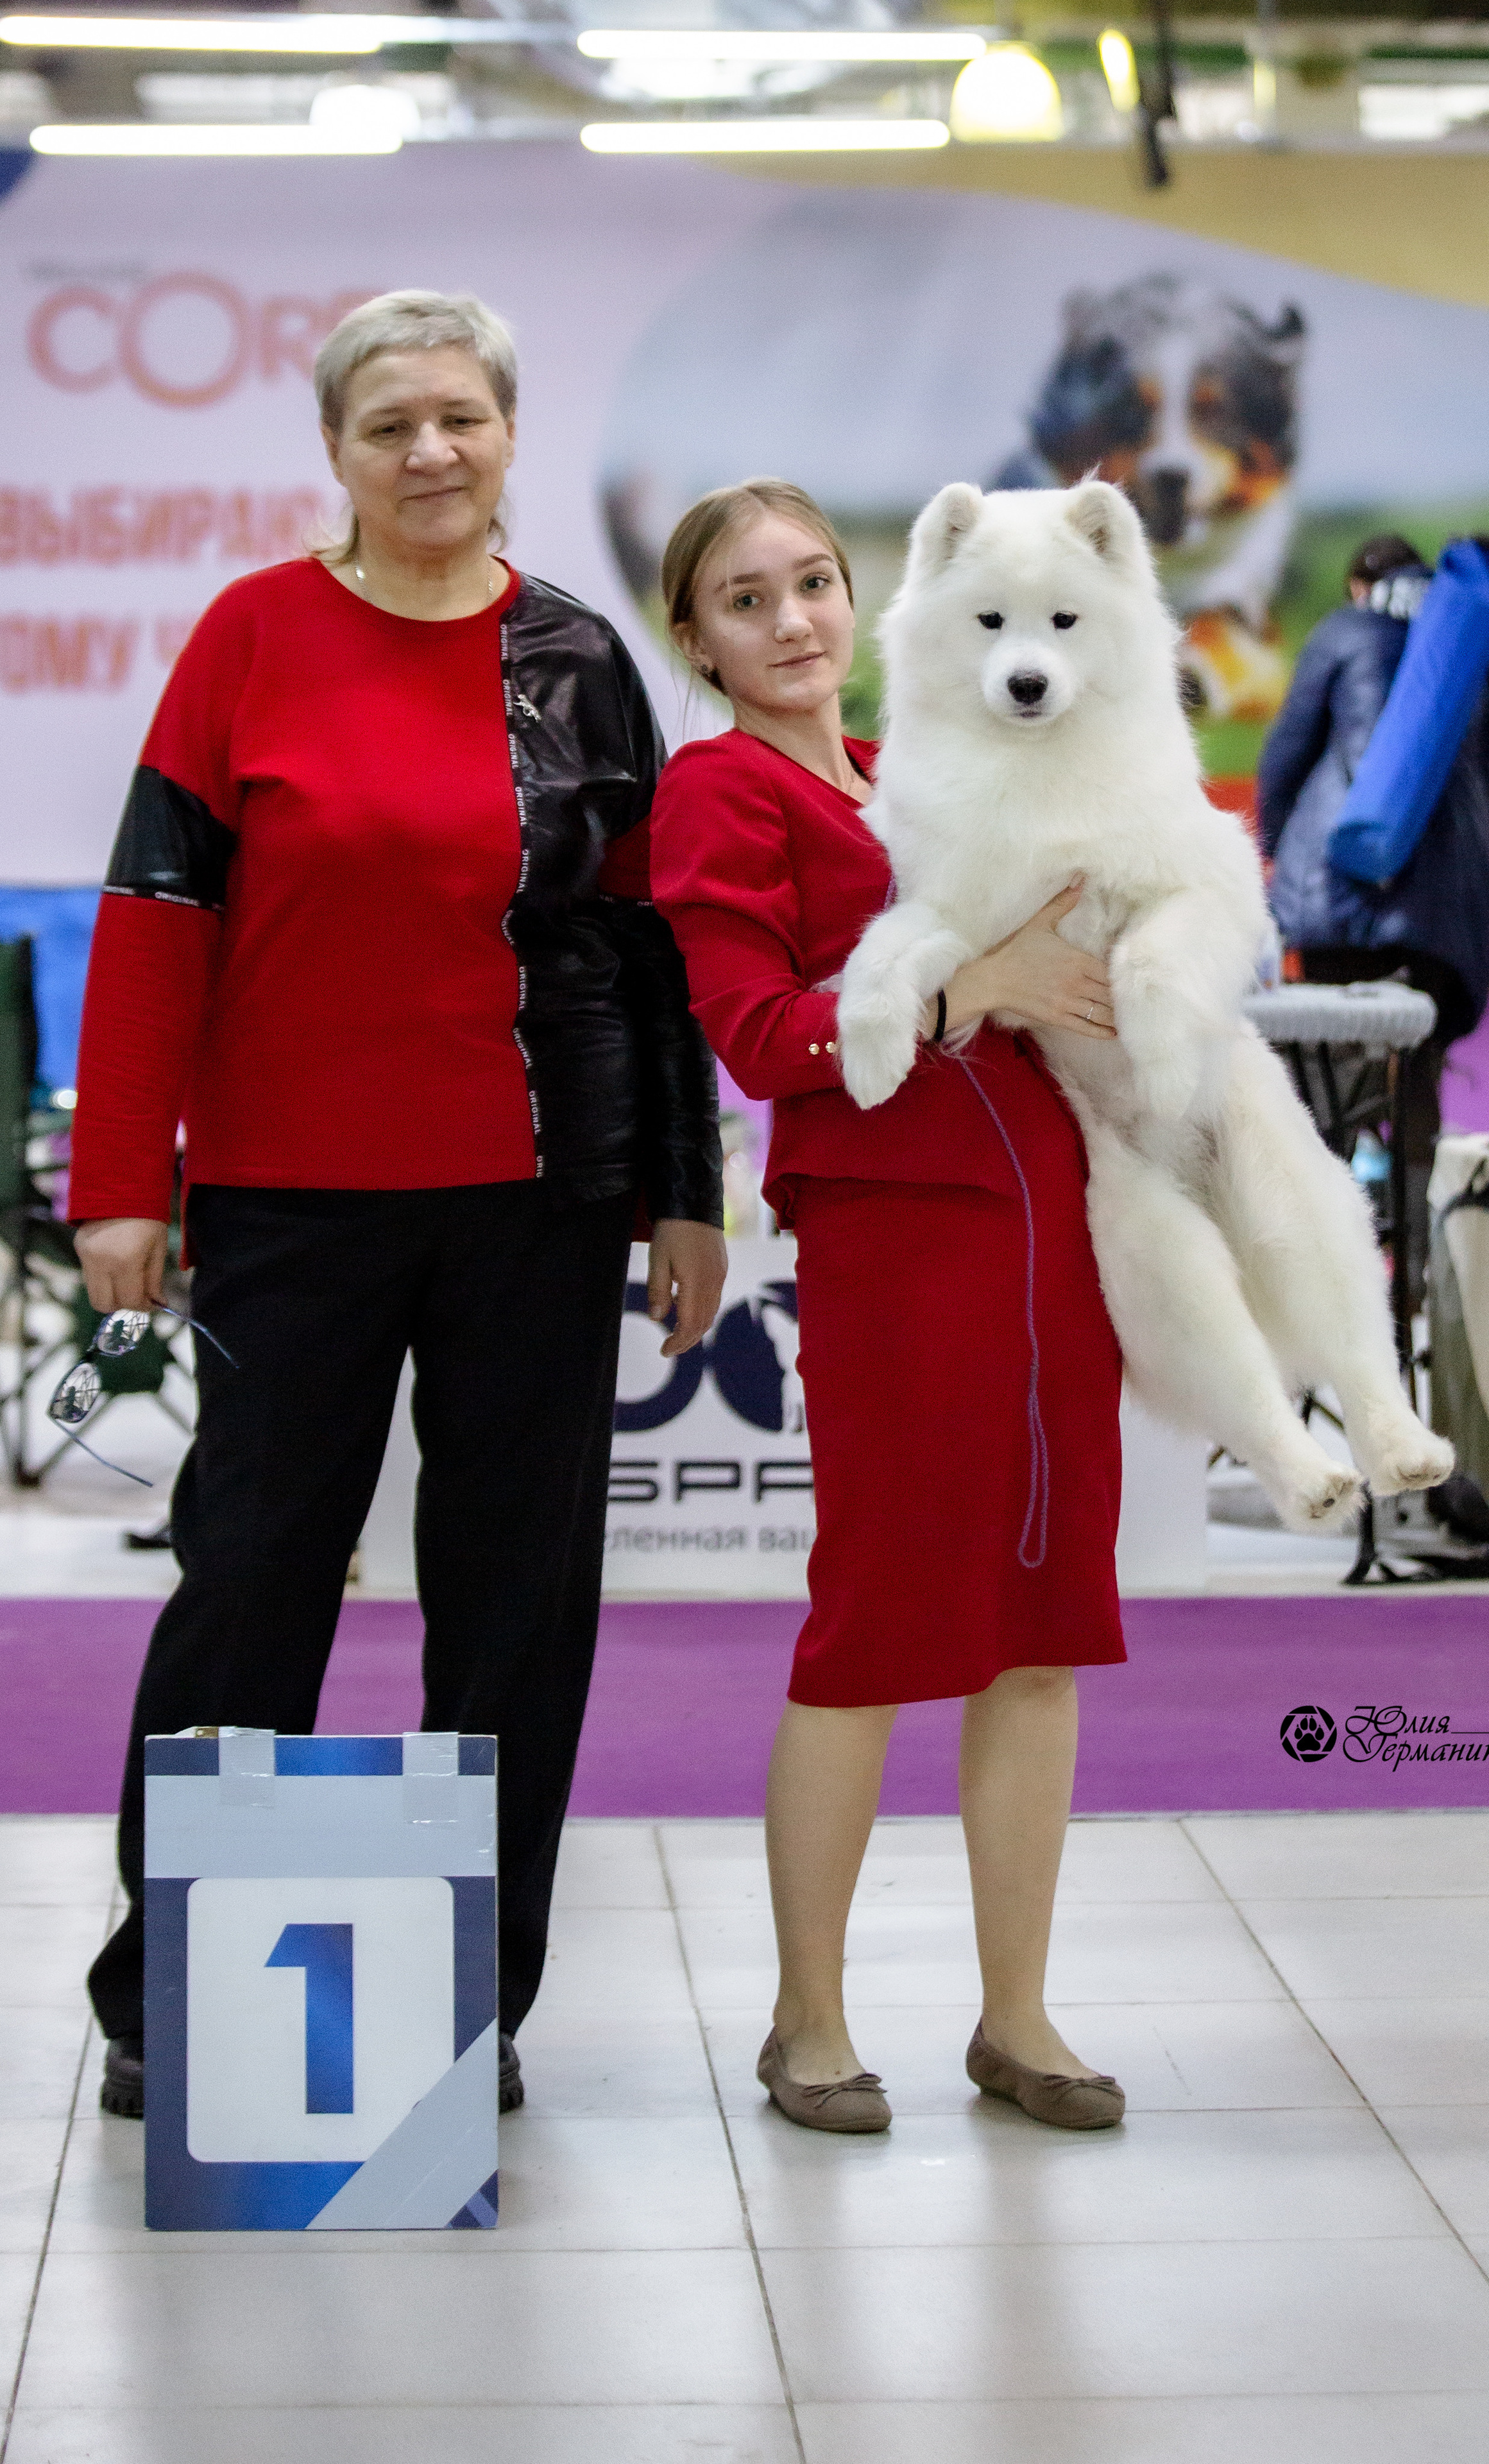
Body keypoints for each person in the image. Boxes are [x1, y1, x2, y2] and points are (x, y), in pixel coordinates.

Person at [69, 289, 726, 2119]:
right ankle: (166, 1991)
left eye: (462, 417)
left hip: (538, 1200)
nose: (431, 452)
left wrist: (685, 1193)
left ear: (511, 435)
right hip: (290, 1207)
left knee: (517, 1606)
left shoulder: (583, 661)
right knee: (252, 1581)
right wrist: (124, 1178)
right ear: (337, 453)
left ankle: (468, 2000)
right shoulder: (251, 637)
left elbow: (649, 951)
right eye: (391, 425)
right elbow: (152, 921)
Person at [649, 480, 1128, 2135]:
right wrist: (966, 986)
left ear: (863, 600)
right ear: (693, 637)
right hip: (892, 1242)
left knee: (1042, 1631)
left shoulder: (929, 767)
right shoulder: (718, 793)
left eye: (811, 584)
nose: (789, 622)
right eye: (741, 598)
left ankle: (1016, 2015)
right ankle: (807, 2020)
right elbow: (764, 1037)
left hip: (1051, 1233)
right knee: (868, 1633)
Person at [1257, 531, 1489, 1296]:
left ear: (1358, 583)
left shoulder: (1343, 630)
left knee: (1325, 1080)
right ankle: (1418, 1272)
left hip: (1336, 894)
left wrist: (1278, 843)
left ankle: (1318, 1275)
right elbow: (1485, 791)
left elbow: (1287, 754)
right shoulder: (1471, 657)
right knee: (1416, 1077)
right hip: (1445, 914)